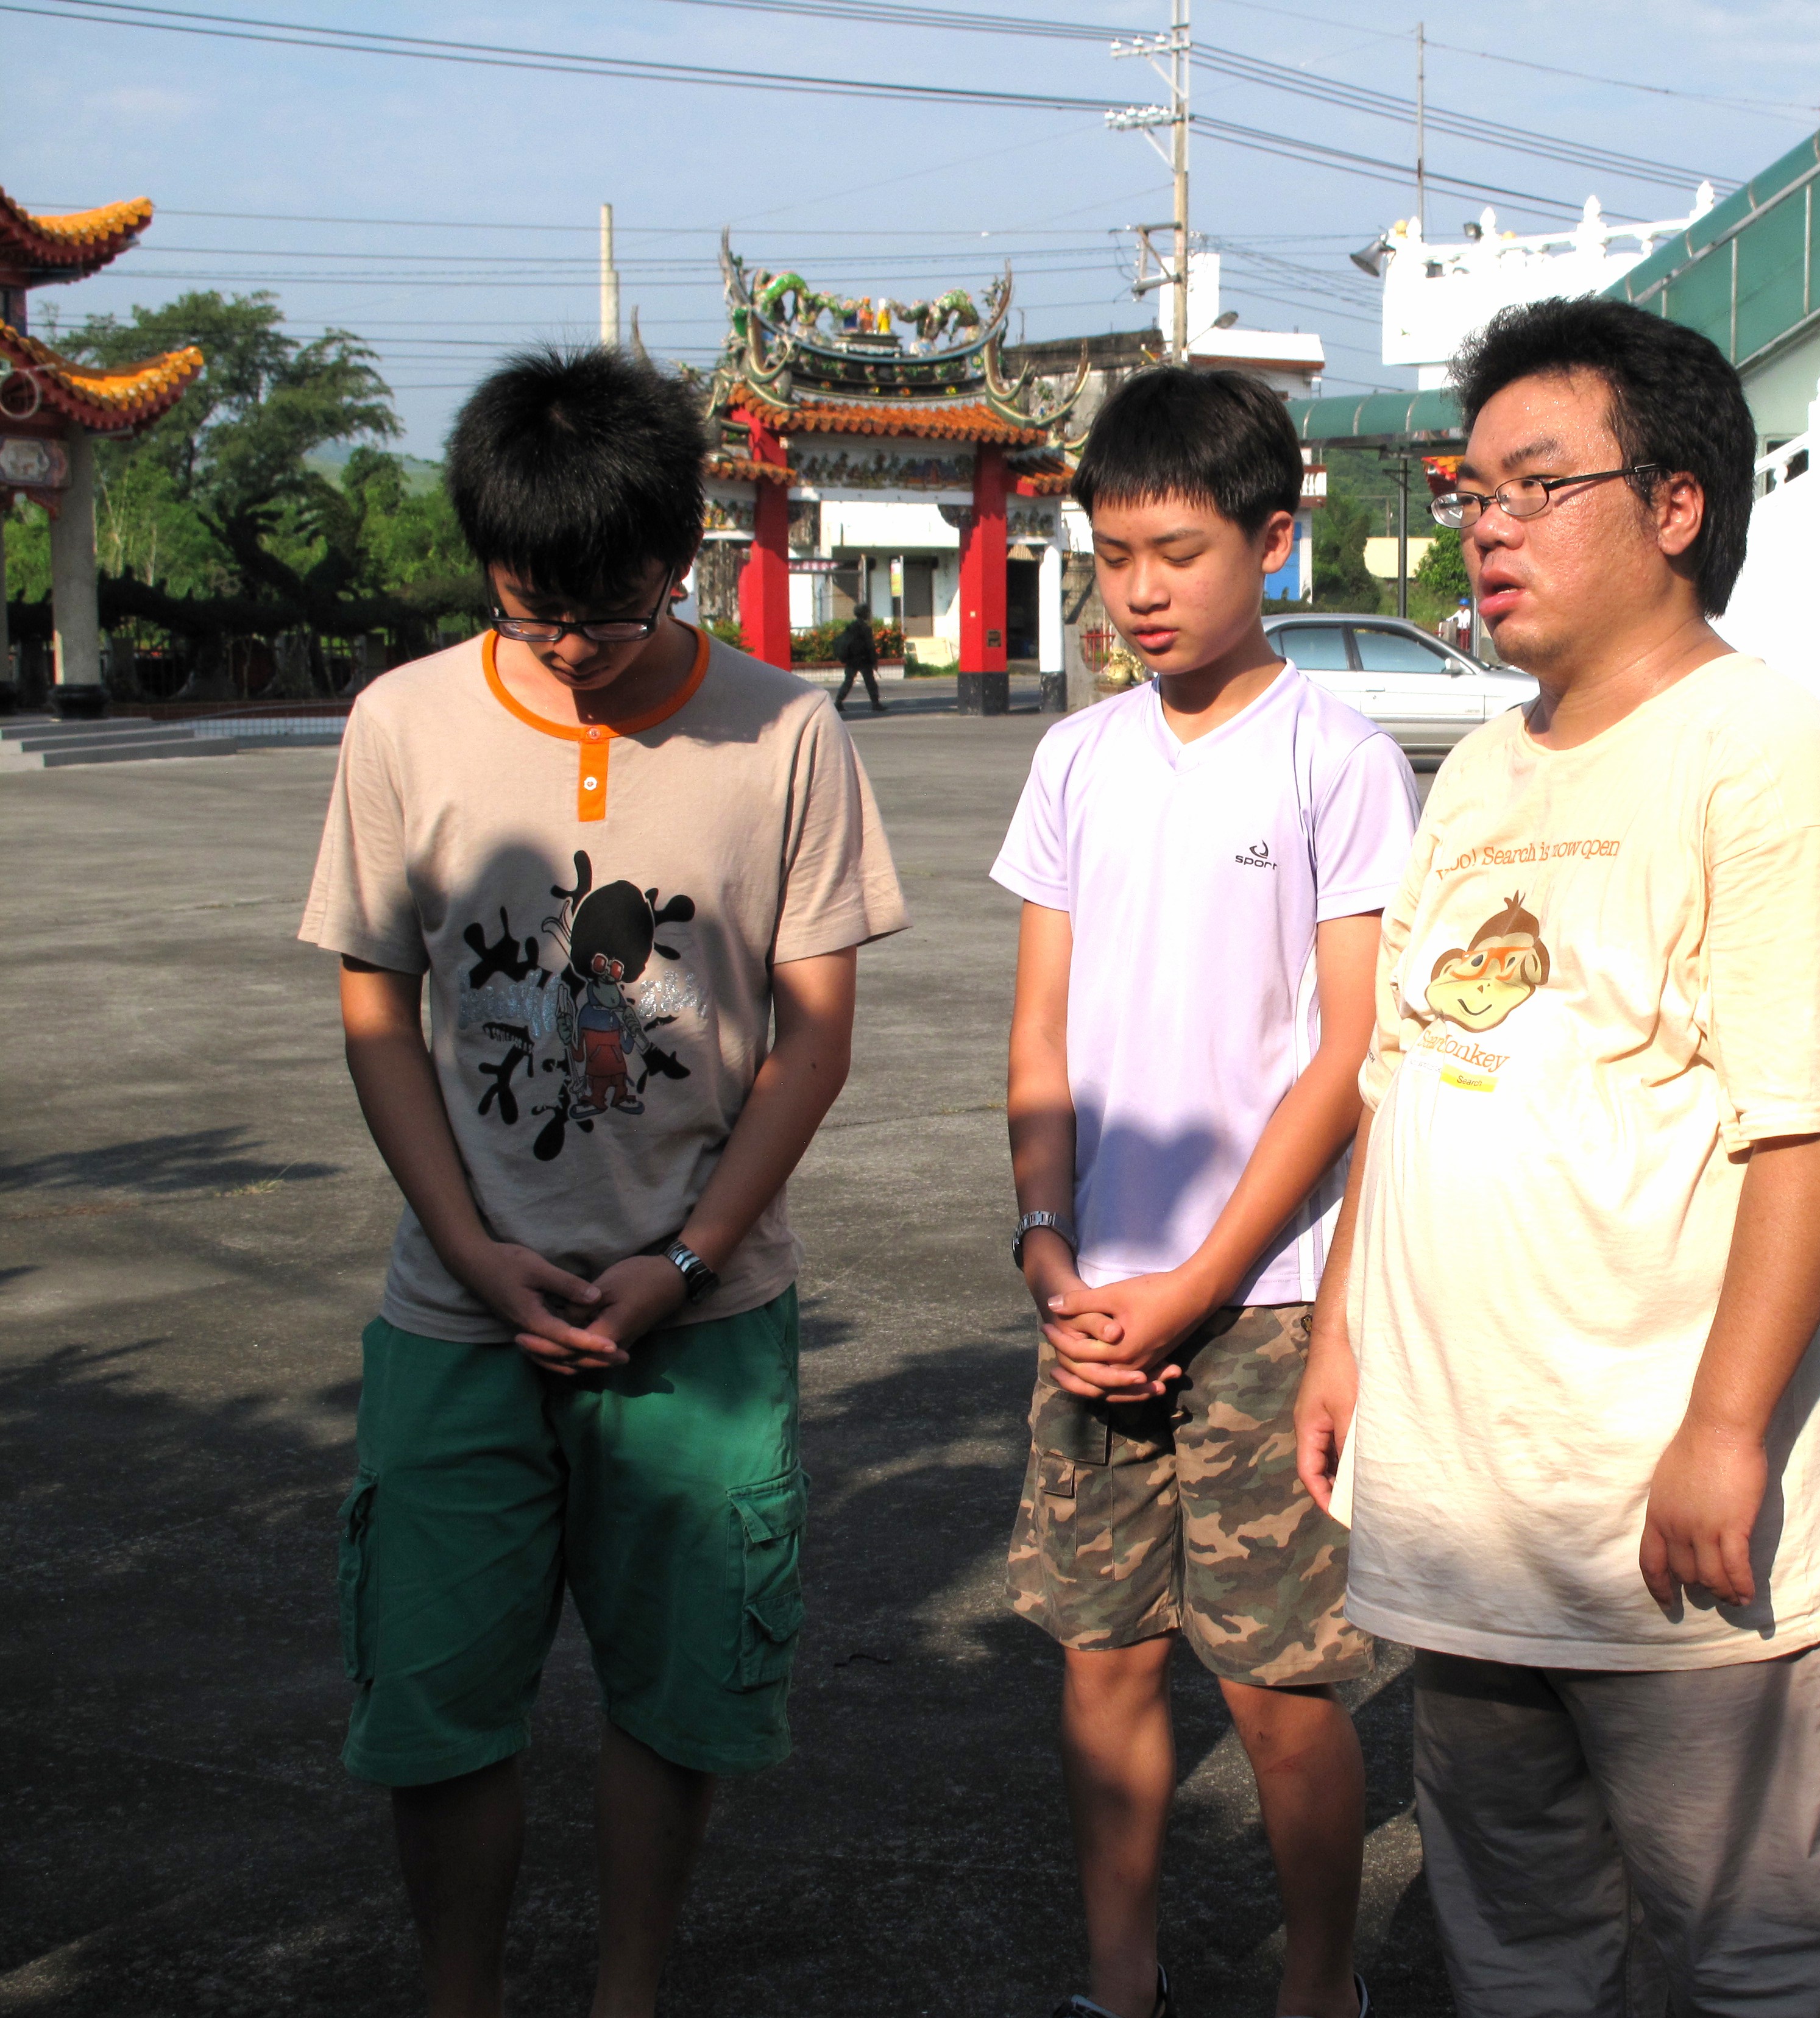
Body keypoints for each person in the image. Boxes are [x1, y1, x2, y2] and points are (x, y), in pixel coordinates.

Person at [1297, 296, 1820, 2015]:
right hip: (1475, 1525)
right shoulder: (1483, 767)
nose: (1486, 526)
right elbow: (1401, 1076)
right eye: (1471, 490)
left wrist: (1723, 1434)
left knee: (1766, 1963)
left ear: (1674, 506)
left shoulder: (1761, 754)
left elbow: (1819, 1118)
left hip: (1681, 1526)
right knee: (1517, 1955)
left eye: (1536, 483)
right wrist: (1343, 1332)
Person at [300, 345, 906, 2018]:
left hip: (700, 1317)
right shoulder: (406, 721)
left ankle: (628, 1994)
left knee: (679, 1696)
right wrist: (472, 1252)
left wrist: (687, 1260)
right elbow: (376, 1013)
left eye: (612, 607)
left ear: (681, 547)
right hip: (458, 1316)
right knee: (435, 1705)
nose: (569, 645)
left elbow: (813, 1037)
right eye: (529, 605)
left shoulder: (786, 731)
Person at [991, 366, 1419, 2018]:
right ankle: (1121, 1985)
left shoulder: (1337, 759)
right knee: (1102, 1667)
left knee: (1279, 1694)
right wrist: (1047, 1248)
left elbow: (1347, 1056)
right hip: (1091, 1302)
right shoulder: (1075, 760)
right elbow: (1040, 1034)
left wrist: (1198, 1285)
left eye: (1177, 551)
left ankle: (1321, 1987)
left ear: (1273, 540)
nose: (1141, 591)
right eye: (1112, 556)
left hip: (1269, 1304)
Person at [835, 606, 885, 712]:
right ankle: (875, 703)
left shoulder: (851, 627)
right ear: (864, 614)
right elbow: (870, 646)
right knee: (870, 682)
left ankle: (838, 702)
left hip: (851, 659)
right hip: (864, 660)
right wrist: (874, 661)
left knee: (848, 681)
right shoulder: (866, 628)